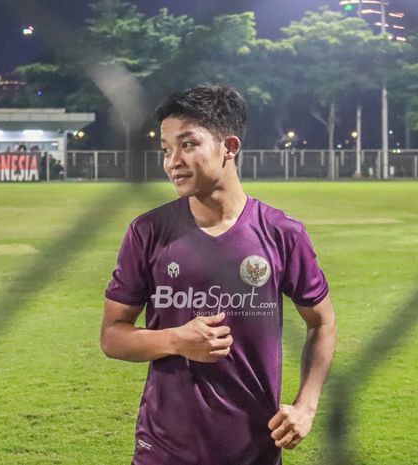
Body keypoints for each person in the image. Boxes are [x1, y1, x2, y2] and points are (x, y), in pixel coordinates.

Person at [100, 85, 336, 465]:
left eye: (187, 144)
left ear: (229, 147)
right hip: (163, 450)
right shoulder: (147, 232)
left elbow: (322, 323)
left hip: (253, 449)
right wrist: (176, 339)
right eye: (166, 149)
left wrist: (306, 407)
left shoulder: (281, 233)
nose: (172, 161)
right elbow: (113, 335)